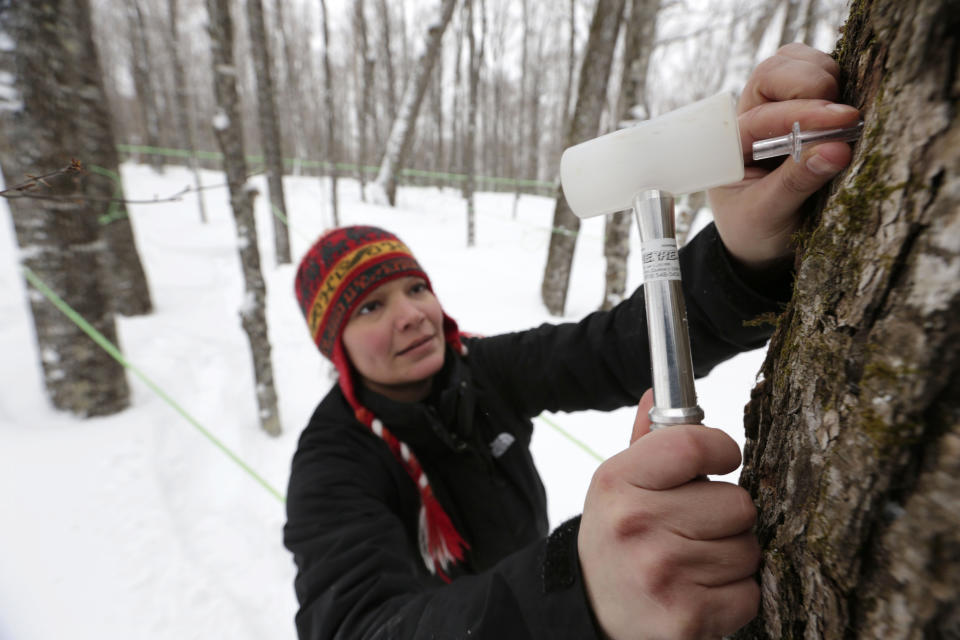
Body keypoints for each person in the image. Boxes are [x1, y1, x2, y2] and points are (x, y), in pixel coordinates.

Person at [283, 43, 860, 640]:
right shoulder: (331, 463)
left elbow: (614, 349)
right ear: (335, 345)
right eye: (373, 307)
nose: (412, 316)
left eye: (416, 289)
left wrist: (740, 257)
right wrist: (579, 591)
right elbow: (359, 626)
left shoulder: (479, 369)